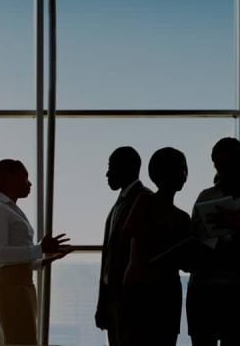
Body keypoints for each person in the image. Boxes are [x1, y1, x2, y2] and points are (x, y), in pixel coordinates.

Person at [0, 159, 72, 345]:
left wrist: (47, 258)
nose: (30, 183)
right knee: (23, 340)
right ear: (9, 179)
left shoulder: (11, 209)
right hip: (9, 287)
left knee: (20, 340)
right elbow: (0, 254)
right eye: (25, 178)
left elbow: (21, 259)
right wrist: (39, 249)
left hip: (23, 285)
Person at [186, 138, 240, 346]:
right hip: (236, 291)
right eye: (220, 166)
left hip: (211, 290)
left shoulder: (206, 198)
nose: (223, 171)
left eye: (225, 165)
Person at [120, 147, 192, 346]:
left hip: (146, 289)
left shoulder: (147, 203)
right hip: (155, 290)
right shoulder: (178, 216)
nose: (184, 174)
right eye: (181, 169)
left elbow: (129, 235)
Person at [94, 146, 152, 345]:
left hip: (130, 300)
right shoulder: (120, 203)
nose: (108, 173)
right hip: (116, 299)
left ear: (128, 167)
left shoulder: (143, 200)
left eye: (112, 167)